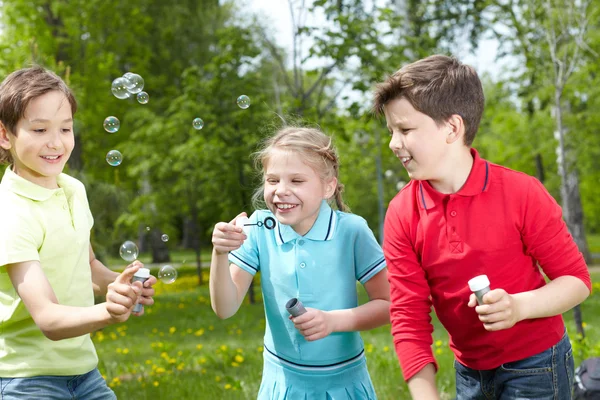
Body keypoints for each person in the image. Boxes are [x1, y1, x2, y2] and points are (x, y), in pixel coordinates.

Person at [373, 54, 592, 400]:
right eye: (391, 131)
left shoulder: (521, 193)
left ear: (452, 128)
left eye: (405, 129)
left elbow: (576, 282)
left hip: (537, 365)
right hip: (469, 372)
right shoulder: (402, 213)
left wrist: (519, 307)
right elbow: (408, 317)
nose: (393, 143)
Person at [0, 65, 157, 399]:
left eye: (66, 129)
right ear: (5, 135)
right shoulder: (10, 212)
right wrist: (108, 312)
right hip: (27, 378)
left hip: (84, 371)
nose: (56, 143)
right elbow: (48, 319)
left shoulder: (72, 189)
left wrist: (120, 285)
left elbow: (87, 266)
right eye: (39, 129)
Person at [209, 126, 390, 399]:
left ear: (328, 186)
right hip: (282, 385)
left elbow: (389, 304)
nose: (281, 191)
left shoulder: (351, 231)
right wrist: (220, 253)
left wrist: (332, 321)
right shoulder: (259, 228)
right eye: (272, 180)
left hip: (343, 384)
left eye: (296, 180)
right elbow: (225, 308)